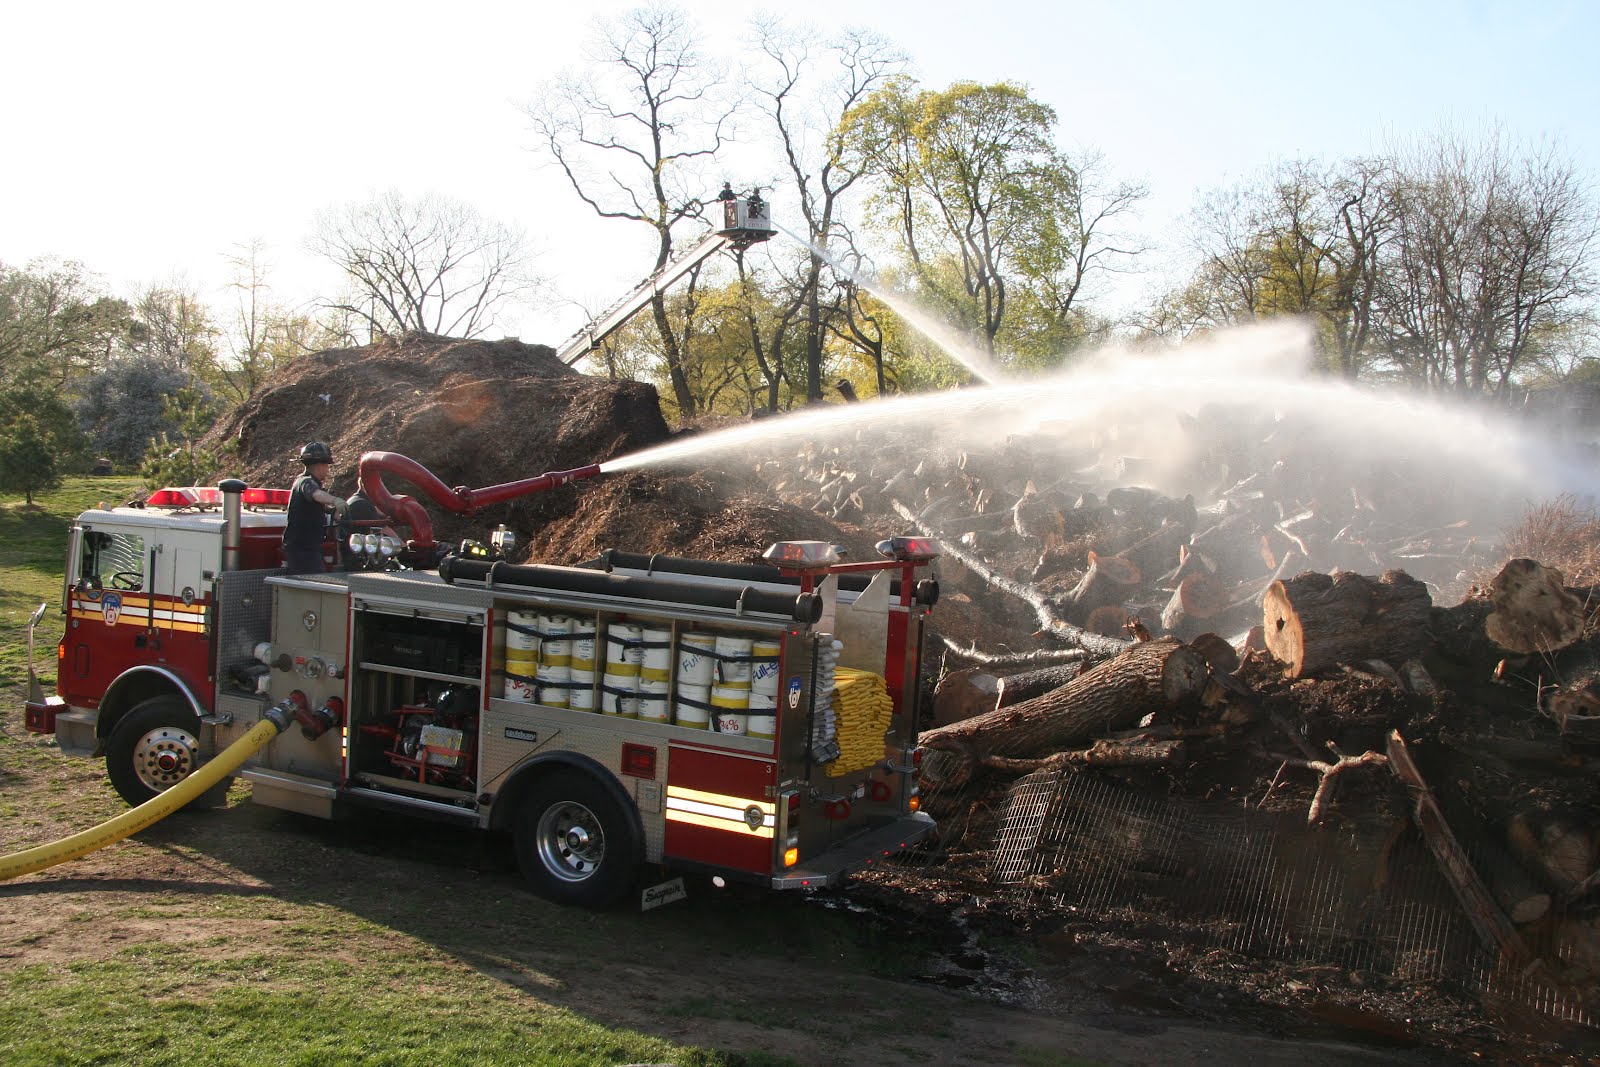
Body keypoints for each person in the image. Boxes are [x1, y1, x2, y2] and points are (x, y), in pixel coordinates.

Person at [282, 441, 346, 574]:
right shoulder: (306, 482)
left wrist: (332, 512)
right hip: (303, 550)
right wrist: (335, 500)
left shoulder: (306, 482)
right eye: (327, 465)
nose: (328, 470)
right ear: (319, 465)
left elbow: (316, 507)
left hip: (305, 548)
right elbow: (316, 494)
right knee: (315, 581)